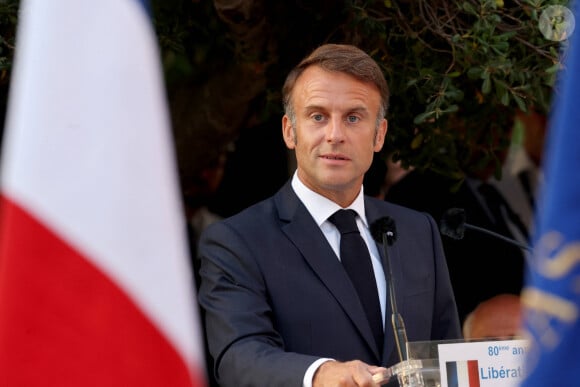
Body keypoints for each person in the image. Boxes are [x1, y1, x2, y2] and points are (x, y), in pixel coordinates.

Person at [197, 43, 461, 387]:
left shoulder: (417, 230)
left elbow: (445, 354)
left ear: (379, 134)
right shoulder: (237, 241)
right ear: (290, 131)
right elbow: (238, 357)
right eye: (318, 116)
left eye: (353, 117)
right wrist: (320, 374)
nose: (335, 135)